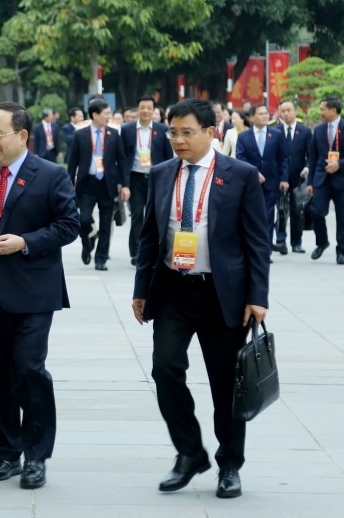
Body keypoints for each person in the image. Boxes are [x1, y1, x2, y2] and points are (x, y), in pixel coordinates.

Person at [131, 98, 270, 499]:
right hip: (172, 289)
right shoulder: (161, 173)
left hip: (221, 294)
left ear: (211, 132)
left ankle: (230, 464)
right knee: (164, 369)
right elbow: (150, 236)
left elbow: (257, 242)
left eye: (187, 132)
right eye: (172, 132)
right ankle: (190, 452)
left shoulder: (240, 175)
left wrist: (257, 296)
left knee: (225, 384)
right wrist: (141, 289)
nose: (178, 140)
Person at [0, 102, 79, 490]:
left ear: (22, 136)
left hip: (32, 294)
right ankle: (5, 453)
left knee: (28, 368)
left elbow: (69, 225)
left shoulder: (51, 175)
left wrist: (25, 242)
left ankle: (36, 456)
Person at [67, 97, 130, 271]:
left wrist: (125, 184)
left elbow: (122, 161)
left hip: (107, 185)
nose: (109, 116)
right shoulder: (80, 134)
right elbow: (72, 163)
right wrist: (68, 186)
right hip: (86, 184)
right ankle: (87, 243)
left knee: (105, 224)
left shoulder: (113, 134)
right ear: (95, 115)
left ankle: (101, 258)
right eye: (106, 113)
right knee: (84, 219)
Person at [306, 96, 344, 265]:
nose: (320, 112)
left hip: (342, 180)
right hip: (321, 179)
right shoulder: (318, 130)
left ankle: (341, 252)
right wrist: (310, 182)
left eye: (322, 109)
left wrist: (340, 164)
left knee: (342, 217)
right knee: (316, 212)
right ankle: (322, 242)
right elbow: (313, 157)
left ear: (333, 110)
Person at [121, 95, 174, 266]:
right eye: (142, 107)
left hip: (156, 178)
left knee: (156, 215)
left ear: (154, 110)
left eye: (149, 108)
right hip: (135, 178)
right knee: (137, 214)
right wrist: (124, 184)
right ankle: (136, 252)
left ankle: (154, 250)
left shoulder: (162, 129)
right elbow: (123, 159)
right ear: (137, 109)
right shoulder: (127, 129)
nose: (145, 111)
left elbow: (168, 157)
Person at [235, 104, 289, 256]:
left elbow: (283, 158)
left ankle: (266, 250)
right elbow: (240, 157)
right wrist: (253, 173)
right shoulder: (243, 136)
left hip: (272, 182)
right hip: (251, 184)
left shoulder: (276, 134)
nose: (265, 116)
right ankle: (252, 247)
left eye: (266, 113)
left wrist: (284, 179)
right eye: (261, 114)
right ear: (251, 117)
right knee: (252, 216)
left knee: (268, 216)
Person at [274, 101, 312, 254]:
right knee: (281, 210)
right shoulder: (275, 131)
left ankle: (296, 242)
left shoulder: (305, 131)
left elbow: (311, 154)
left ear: (296, 111)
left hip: (298, 178)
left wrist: (307, 167)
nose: (286, 114)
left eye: (288, 110)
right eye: (282, 111)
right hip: (279, 178)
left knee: (297, 211)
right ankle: (280, 241)